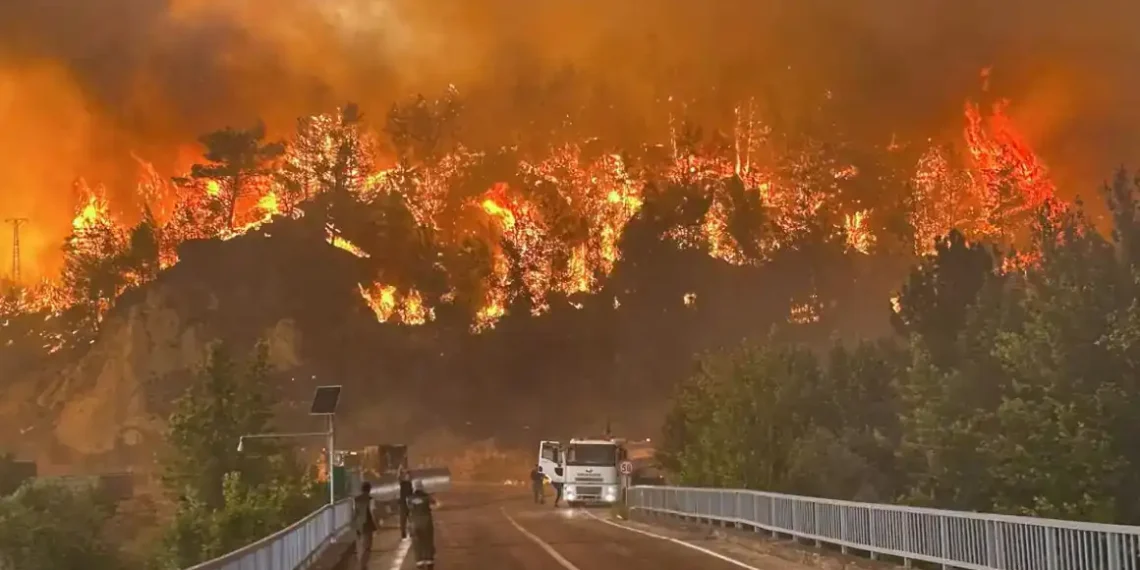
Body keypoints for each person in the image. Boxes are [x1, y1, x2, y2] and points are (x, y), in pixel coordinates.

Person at [407, 479, 439, 568]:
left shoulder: (409, 498)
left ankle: (419, 561)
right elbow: (437, 505)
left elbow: (408, 509)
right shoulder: (427, 497)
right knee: (428, 541)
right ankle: (429, 561)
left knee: (417, 543)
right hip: (426, 522)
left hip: (415, 523)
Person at [352, 481, 378, 570]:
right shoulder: (371, 499)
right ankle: (362, 565)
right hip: (367, 525)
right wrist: (376, 525)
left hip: (357, 525)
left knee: (360, 546)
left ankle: (362, 564)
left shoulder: (356, 499)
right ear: (369, 489)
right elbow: (372, 512)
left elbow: (355, 512)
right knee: (367, 547)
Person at [398, 465, 414, 539]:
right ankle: (403, 533)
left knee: (410, 519)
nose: (407, 476)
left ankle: (411, 532)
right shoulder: (402, 483)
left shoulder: (411, 483)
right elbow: (398, 477)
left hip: (409, 503)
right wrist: (400, 469)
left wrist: (408, 471)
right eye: (406, 475)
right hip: (403, 503)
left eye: (408, 475)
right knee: (403, 520)